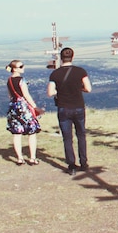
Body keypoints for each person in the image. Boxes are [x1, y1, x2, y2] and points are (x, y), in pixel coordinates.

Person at [47, 47, 92, 175]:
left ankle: (71, 165)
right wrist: (79, 88)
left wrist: (59, 91)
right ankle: (84, 163)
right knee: (81, 135)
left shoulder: (55, 74)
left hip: (63, 108)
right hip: (78, 107)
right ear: (72, 57)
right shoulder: (80, 71)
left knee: (67, 138)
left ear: (61, 58)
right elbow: (88, 89)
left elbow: (50, 92)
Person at [5, 60, 42, 165]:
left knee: (17, 133)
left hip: (13, 107)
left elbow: (10, 95)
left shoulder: (9, 80)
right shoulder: (21, 80)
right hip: (24, 107)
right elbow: (26, 95)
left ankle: (20, 158)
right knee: (32, 132)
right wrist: (35, 107)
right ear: (15, 69)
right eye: (21, 66)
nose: (23, 68)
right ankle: (32, 158)